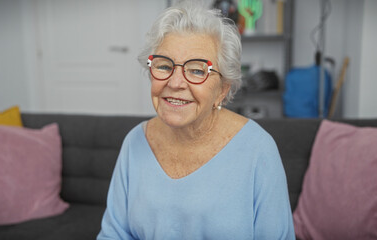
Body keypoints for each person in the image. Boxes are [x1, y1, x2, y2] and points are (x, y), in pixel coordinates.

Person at [97, 1, 295, 239]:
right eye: (164, 65)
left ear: (222, 90)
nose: (175, 82)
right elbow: (114, 234)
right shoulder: (135, 142)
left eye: (197, 70)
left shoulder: (258, 150)